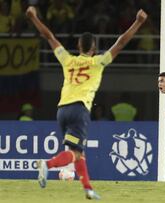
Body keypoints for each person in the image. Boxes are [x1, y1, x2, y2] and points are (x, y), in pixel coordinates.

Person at [26, 6, 147, 199]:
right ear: (94, 49)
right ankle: (46, 164)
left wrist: (33, 17)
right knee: (75, 153)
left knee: (78, 153)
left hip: (62, 110)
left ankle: (88, 189)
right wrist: (138, 22)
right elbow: (121, 42)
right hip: (79, 109)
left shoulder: (67, 60)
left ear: (78, 46)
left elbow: (49, 37)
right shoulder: (98, 62)